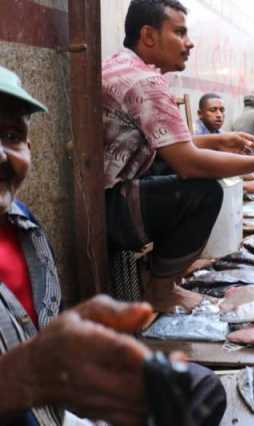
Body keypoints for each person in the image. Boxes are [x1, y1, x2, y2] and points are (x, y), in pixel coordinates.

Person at [0, 65, 227, 426]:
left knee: (201, 390)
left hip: (48, 414)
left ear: (29, 146)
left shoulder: (21, 221)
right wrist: (20, 378)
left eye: (11, 136)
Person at [102, 0, 254, 312]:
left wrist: (218, 140)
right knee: (205, 191)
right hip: (107, 208)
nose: (189, 42)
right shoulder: (145, 82)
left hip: (103, 197)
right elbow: (189, 163)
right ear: (149, 35)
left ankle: (164, 280)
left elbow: (166, 143)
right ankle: (163, 289)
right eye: (180, 33)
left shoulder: (121, 65)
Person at [195, 93, 254, 194]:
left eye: (221, 110)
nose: (219, 115)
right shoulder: (194, 135)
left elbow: (228, 165)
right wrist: (245, 186)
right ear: (200, 114)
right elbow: (206, 172)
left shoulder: (221, 134)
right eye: (213, 110)